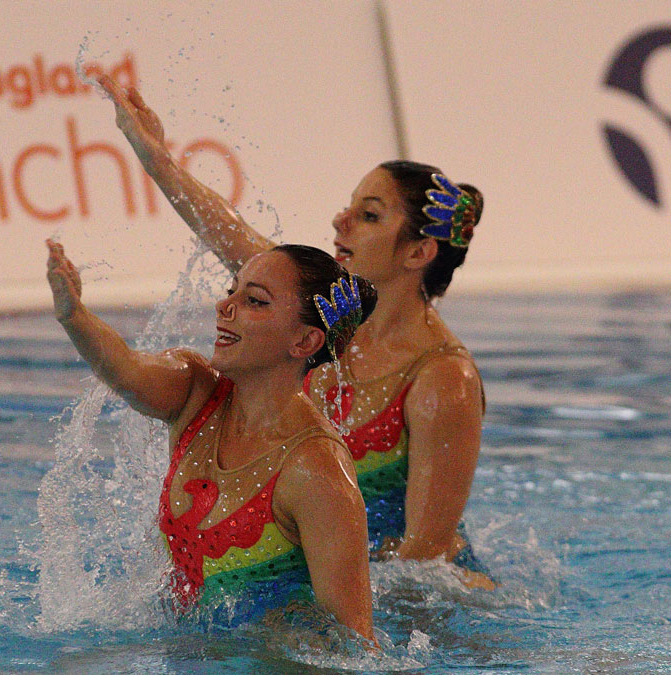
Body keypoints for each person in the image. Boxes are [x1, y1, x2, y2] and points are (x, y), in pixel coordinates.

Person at [97, 75, 494, 590]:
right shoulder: (323, 310)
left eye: (369, 215)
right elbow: (224, 230)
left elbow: (426, 560)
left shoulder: (442, 380)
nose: (341, 220)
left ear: (419, 253)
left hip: (407, 602)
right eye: (349, 206)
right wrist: (157, 158)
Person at [45, 238, 380, 639]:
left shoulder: (315, 469)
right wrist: (74, 316)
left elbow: (355, 643)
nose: (225, 307)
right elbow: (127, 372)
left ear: (305, 342)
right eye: (230, 291)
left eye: (255, 301)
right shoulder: (196, 394)